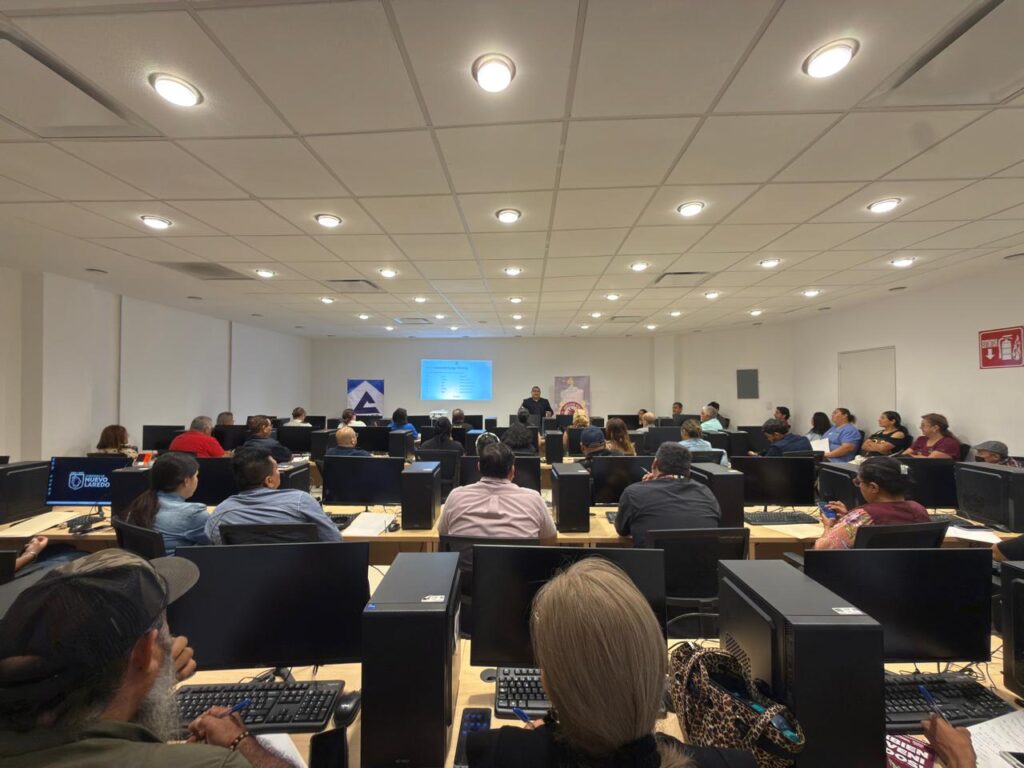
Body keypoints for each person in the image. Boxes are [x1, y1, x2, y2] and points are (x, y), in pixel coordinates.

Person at [0, 549, 293, 768]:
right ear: (143, 651)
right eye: (165, 625)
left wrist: (149, 684)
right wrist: (239, 742)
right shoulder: (213, 764)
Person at [466, 557, 754, 768]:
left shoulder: (496, 754)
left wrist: (537, 740)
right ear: (655, 663)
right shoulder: (736, 764)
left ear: (549, 684)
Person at [205, 447, 339, 544]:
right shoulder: (300, 501)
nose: (279, 472)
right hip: (299, 573)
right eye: (277, 469)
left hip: (244, 574)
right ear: (269, 481)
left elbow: (217, 550)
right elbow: (333, 539)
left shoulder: (220, 514)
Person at [438, 442, 556, 541]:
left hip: (466, 563)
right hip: (518, 563)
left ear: (478, 467)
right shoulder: (534, 499)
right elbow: (550, 537)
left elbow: (443, 533)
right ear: (512, 470)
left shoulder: (455, 496)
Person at [615, 443, 721, 547]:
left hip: (652, 559)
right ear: (688, 470)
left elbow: (622, 530)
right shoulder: (706, 493)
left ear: (654, 464)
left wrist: (643, 488)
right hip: (702, 559)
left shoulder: (633, 493)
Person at [814, 457, 930, 550]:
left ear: (873, 487)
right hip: (908, 571)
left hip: (864, 571)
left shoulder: (863, 516)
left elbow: (821, 550)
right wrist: (848, 517)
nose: (859, 486)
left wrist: (828, 526)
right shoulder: (918, 509)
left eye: (858, 482)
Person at [122, 452, 210, 554]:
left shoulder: (139, 504)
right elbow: (216, 543)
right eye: (196, 476)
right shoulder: (194, 514)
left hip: (144, 563)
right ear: (186, 481)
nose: (197, 480)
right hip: (179, 564)